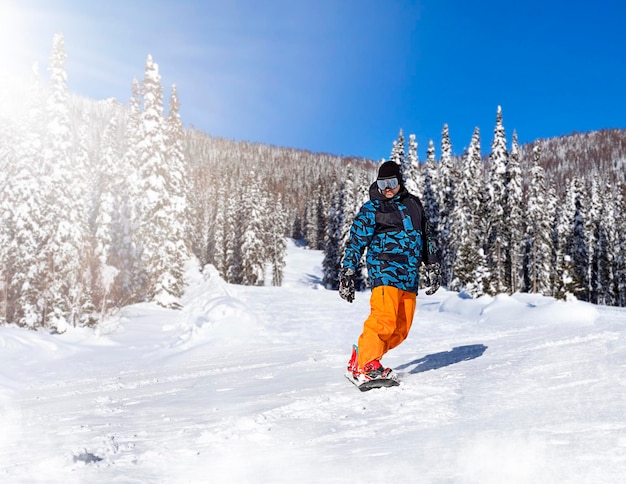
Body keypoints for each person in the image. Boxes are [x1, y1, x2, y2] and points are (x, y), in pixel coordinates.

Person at [339, 160, 440, 383]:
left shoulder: (414, 205)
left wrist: (432, 265)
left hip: (409, 275)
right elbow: (356, 241)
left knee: (401, 329)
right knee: (384, 319)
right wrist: (347, 272)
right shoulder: (372, 208)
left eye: (391, 183)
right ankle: (367, 365)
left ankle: (361, 357)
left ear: (399, 182)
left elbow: (426, 236)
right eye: (383, 183)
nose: (387, 188)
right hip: (384, 269)